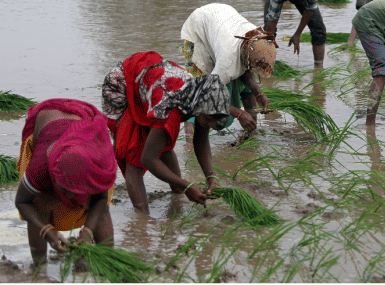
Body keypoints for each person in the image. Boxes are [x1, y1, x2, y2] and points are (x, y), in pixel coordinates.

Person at [101, 51, 230, 214]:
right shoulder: (170, 109)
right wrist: (186, 185)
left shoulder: (202, 98)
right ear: (199, 108)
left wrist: (211, 176)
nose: (211, 124)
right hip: (123, 85)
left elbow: (201, 141)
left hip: (150, 80)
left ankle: (176, 198)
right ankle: (142, 218)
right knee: (133, 156)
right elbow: (148, 159)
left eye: (215, 119)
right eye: (209, 118)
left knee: (161, 143)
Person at [15, 99, 118, 265]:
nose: (70, 198)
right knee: (38, 204)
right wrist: (46, 230)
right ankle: (39, 268)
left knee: (101, 211)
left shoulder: (97, 166)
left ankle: (107, 262)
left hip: (84, 122)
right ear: (55, 175)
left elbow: (100, 199)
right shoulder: (40, 168)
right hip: (49, 121)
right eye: (65, 190)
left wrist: (88, 231)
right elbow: (22, 201)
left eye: (76, 192)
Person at [181, 3, 277, 135]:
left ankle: (251, 132)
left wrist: (259, 93)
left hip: (220, 19)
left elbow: (246, 71)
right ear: (245, 59)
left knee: (247, 87)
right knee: (199, 89)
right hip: (198, 29)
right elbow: (209, 95)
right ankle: (189, 142)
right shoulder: (227, 63)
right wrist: (239, 113)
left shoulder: (257, 38)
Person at [264, 0, 327, 68]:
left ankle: (319, 68)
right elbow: (272, 18)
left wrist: (297, 34)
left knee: (319, 29)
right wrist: (269, 43)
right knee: (268, 31)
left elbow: (310, 9)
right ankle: (267, 65)